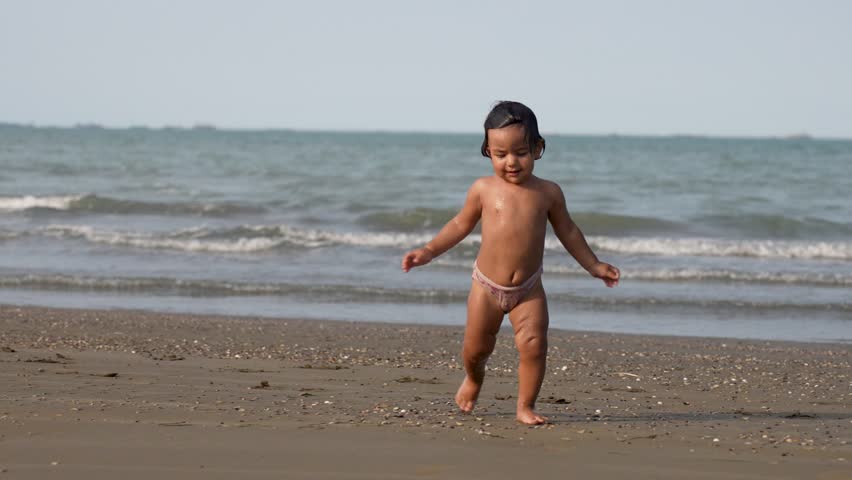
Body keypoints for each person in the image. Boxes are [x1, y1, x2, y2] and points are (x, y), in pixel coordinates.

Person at [400, 101, 620, 425]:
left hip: (529, 289)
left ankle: (525, 406)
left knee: (534, 346)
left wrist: (594, 265)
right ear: (488, 151)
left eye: (521, 152)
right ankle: (474, 380)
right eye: (501, 155)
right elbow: (460, 225)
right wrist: (429, 251)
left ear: (538, 148)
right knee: (475, 349)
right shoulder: (483, 189)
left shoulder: (548, 193)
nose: (511, 162)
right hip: (486, 286)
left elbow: (569, 232)